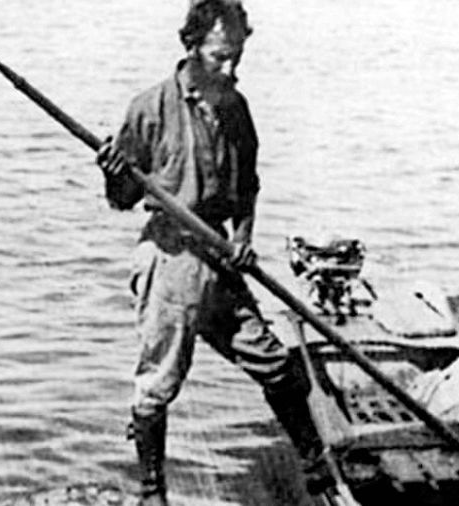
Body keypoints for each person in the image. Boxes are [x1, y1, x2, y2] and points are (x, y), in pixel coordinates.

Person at [95, 1, 325, 504]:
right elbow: (121, 199)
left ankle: (317, 467)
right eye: (221, 56)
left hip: (219, 257)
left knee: (276, 365)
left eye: (238, 55)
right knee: (158, 382)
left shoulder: (236, 108)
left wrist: (243, 237)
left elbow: (248, 186)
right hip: (169, 259)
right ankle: (152, 492)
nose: (231, 67)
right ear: (192, 47)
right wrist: (113, 172)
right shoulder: (149, 108)